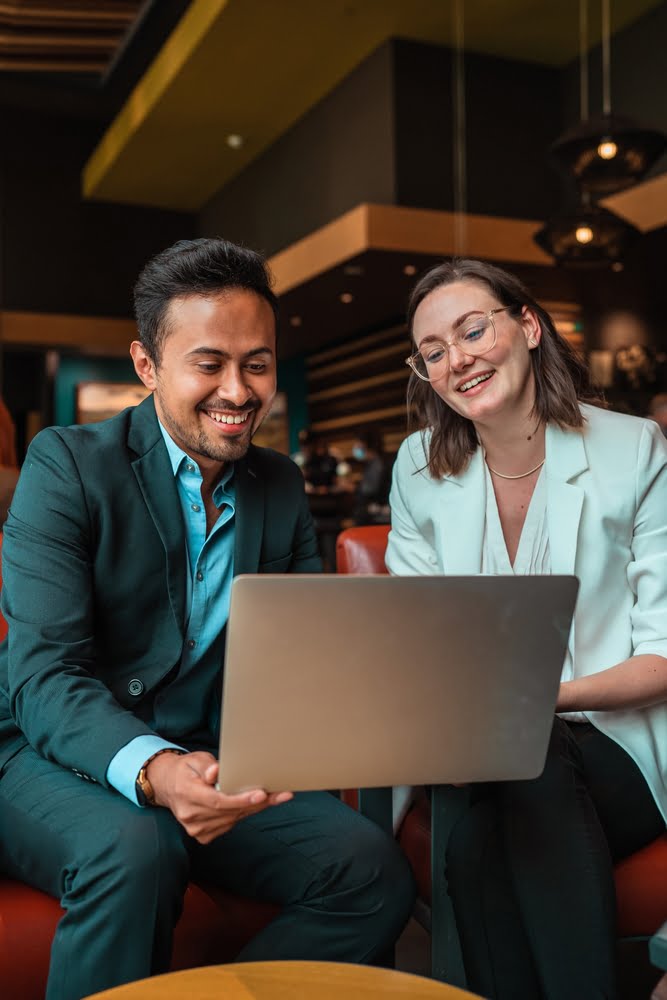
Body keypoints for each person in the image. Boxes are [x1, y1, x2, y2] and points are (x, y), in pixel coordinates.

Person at [0, 238, 415, 1000]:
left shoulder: (278, 482)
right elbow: (40, 674)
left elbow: (302, 649)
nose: (238, 389)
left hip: (215, 758)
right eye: (208, 363)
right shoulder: (67, 463)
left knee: (369, 869)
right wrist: (156, 770)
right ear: (147, 366)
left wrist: (379, 686)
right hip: (47, 754)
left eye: (257, 363)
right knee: (138, 846)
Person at [385, 258, 667, 1000]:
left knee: (486, 835)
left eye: (472, 329)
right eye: (434, 351)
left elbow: (663, 655)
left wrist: (533, 703)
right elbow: (418, 641)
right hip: (485, 748)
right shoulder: (418, 466)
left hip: (623, 739)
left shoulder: (632, 447)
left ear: (529, 327)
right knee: (493, 819)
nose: (457, 359)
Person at [351, 428, 391, 525]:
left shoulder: (377, 464)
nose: (355, 447)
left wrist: (353, 488)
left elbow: (368, 490)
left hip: (378, 515)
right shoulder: (374, 463)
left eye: (358, 444)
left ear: (365, 445)